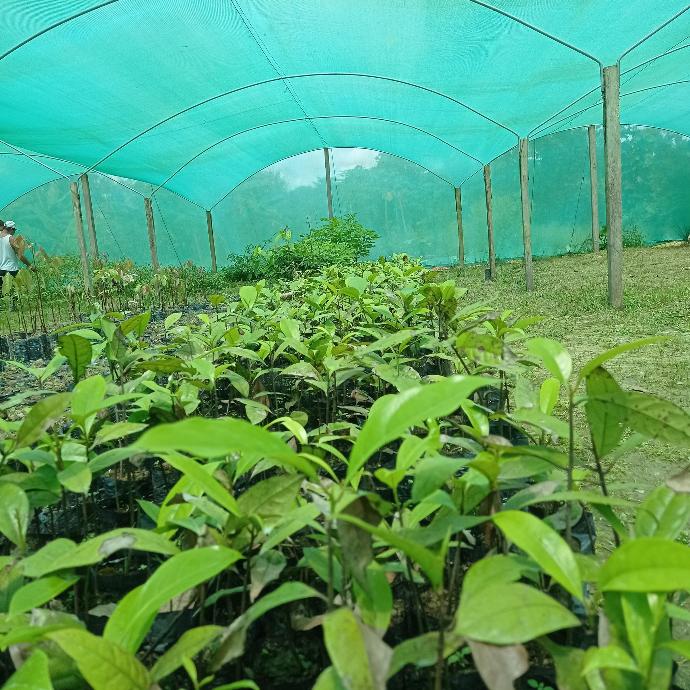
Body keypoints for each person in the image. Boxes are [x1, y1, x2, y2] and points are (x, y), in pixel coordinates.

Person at [0, 220, 32, 289]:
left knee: (3, 292)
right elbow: (20, 256)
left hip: (1, 270)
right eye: (14, 230)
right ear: (12, 229)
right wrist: (30, 265)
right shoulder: (11, 238)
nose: (14, 232)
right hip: (11, 270)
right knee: (15, 292)